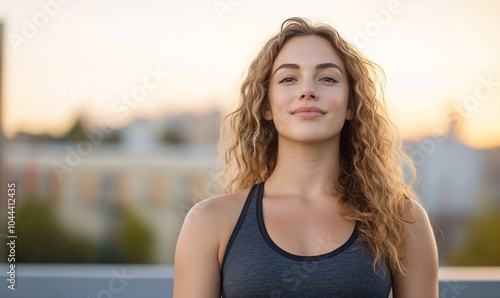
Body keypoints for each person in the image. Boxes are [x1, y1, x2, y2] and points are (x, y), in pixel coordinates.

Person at [173, 17, 438, 297]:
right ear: (266, 105)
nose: (307, 90)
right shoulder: (209, 221)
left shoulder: (402, 221)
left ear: (351, 104)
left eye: (327, 78)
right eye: (288, 78)